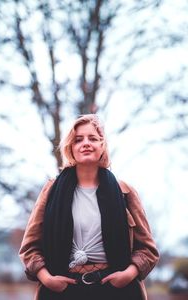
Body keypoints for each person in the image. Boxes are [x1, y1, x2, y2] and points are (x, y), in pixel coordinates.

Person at [19, 114, 159, 300]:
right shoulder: (51, 191)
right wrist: (47, 279)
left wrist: (129, 274)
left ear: (102, 146)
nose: (86, 143)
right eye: (78, 139)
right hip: (63, 291)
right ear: (71, 147)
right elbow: (29, 248)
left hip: (115, 290)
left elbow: (148, 249)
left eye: (93, 138)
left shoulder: (124, 191)